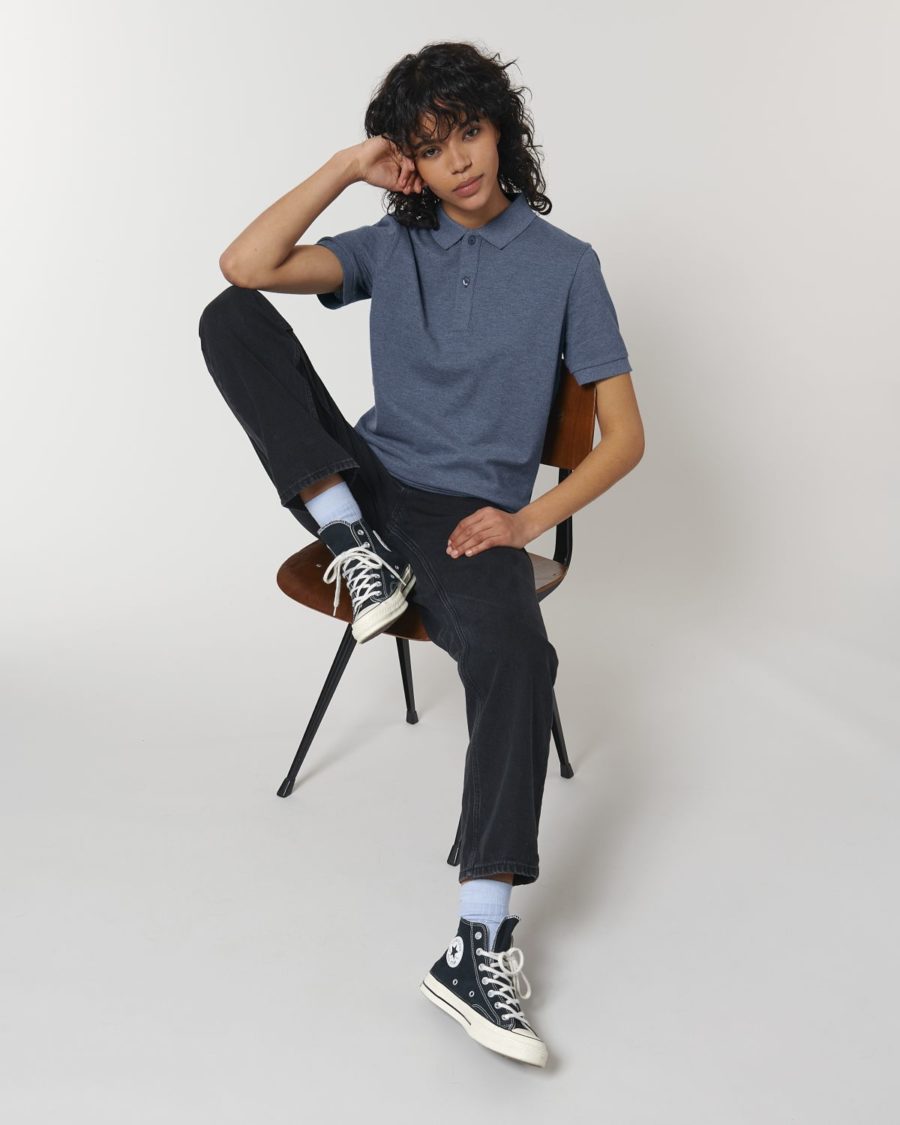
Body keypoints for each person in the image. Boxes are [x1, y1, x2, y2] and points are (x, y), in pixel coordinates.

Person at [198, 40, 644, 1068]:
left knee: (519, 654)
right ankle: (351, 542)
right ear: (410, 162)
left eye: (470, 133)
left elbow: (625, 437)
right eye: (431, 147)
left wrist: (527, 522)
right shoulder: (390, 245)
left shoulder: (567, 266)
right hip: (364, 482)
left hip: (468, 517)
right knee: (229, 317)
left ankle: (477, 942)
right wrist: (349, 166)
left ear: (502, 131)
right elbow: (246, 267)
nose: (459, 162)